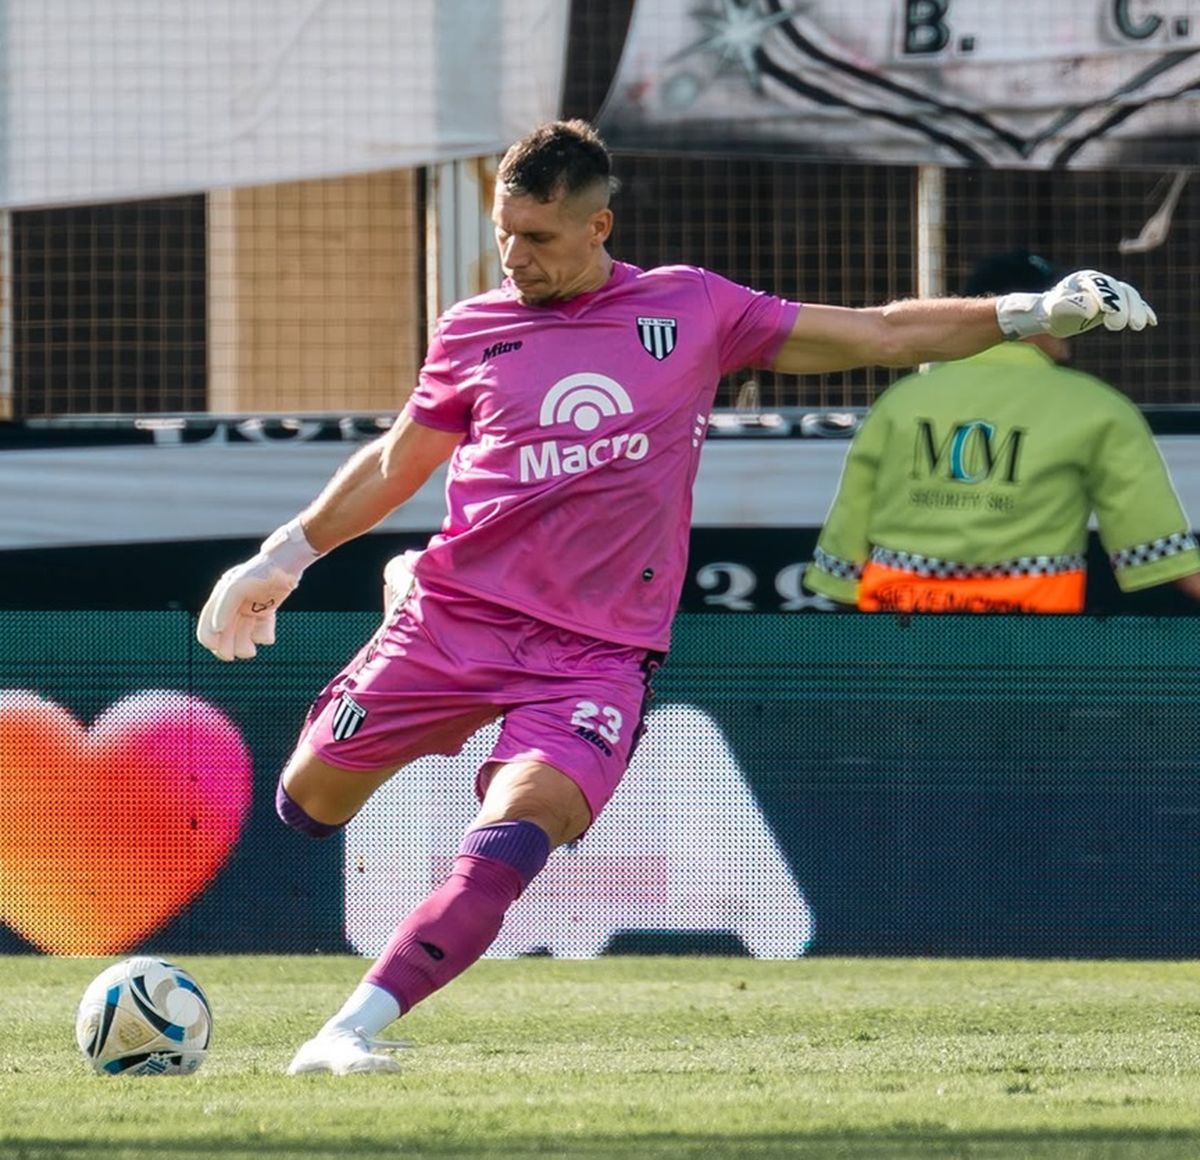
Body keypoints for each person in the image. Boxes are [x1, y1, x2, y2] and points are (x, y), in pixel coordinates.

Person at [196, 122, 1155, 1075]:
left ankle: (347, 1032)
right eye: (503, 234)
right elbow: (400, 461)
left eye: (537, 239)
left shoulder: (691, 308)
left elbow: (880, 331)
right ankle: (407, 587)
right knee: (306, 807)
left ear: (599, 226)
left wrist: (1031, 312)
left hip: (593, 658)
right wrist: (285, 554)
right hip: (450, 622)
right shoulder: (473, 329)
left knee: (513, 839)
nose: (513, 258)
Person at [803, 250, 1199, 613]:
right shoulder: (1098, 409)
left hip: (899, 631)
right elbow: (1158, 547)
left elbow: (847, 532)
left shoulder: (902, 399)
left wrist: (836, 589)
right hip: (1027, 645)